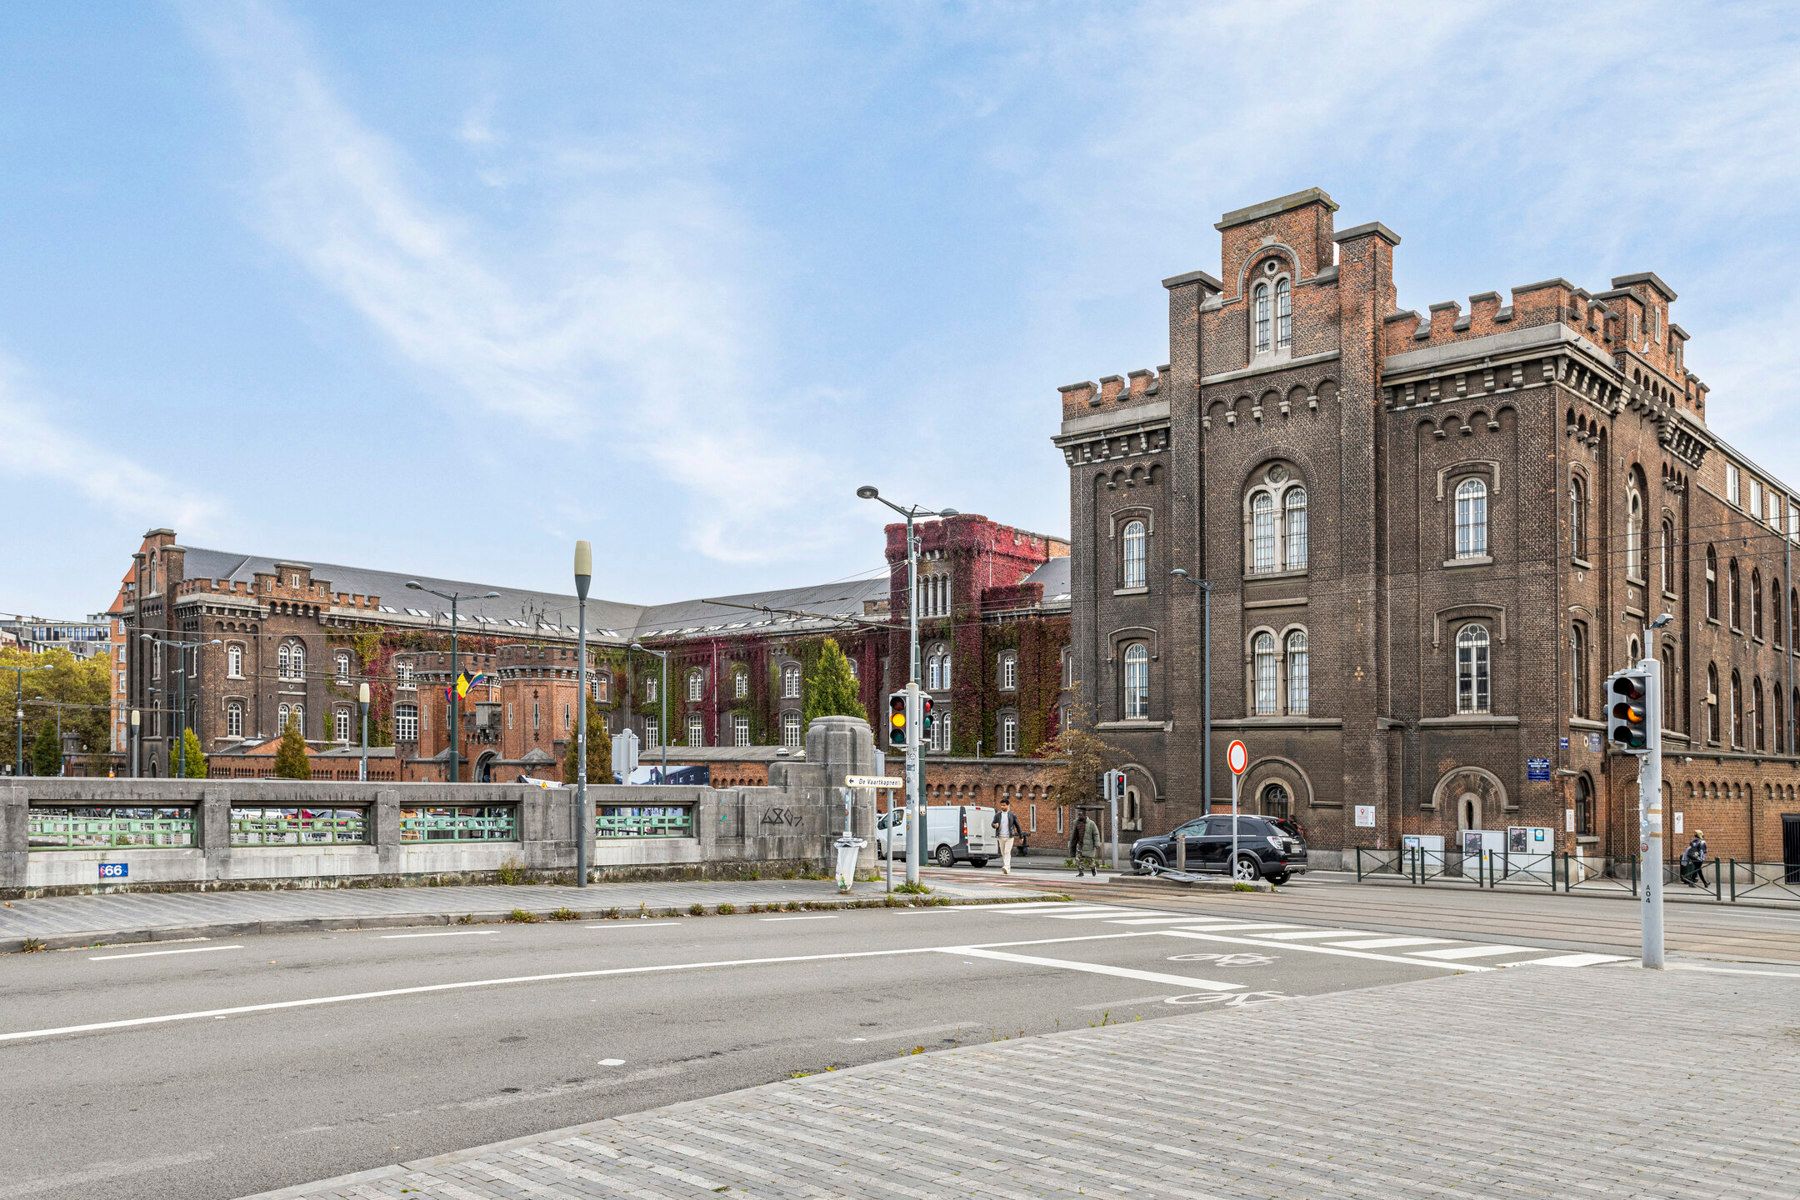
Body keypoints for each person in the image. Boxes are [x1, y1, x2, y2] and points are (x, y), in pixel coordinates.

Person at [992, 799, 1022, 874]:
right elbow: (992, 823)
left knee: (1007, 851)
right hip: (1000, 836)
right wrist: (994, 825)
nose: (1002, 807)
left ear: (1008, 805)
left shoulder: (1012, 815)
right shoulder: (997, 815)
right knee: (1003, 853)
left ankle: (1006, 866)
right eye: (1001, 805)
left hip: (1009, 836)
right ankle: (1007, 868)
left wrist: (1020, 836)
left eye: (1004, 805)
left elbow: (1018, 826)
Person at [1073, 810, 1101, 876]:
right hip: (1080, 845)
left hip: (1089, 845)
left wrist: (1097, 844)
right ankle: (1081, 872)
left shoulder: (1091, 823)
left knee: (1090, 860)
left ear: (1084, 815)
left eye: (1080, 815)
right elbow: (1075, 834)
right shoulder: (1077, 823)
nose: (1079, 816)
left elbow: (1096, 834)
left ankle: (1093, 870)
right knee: (1078, 859)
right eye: (1078, 815)